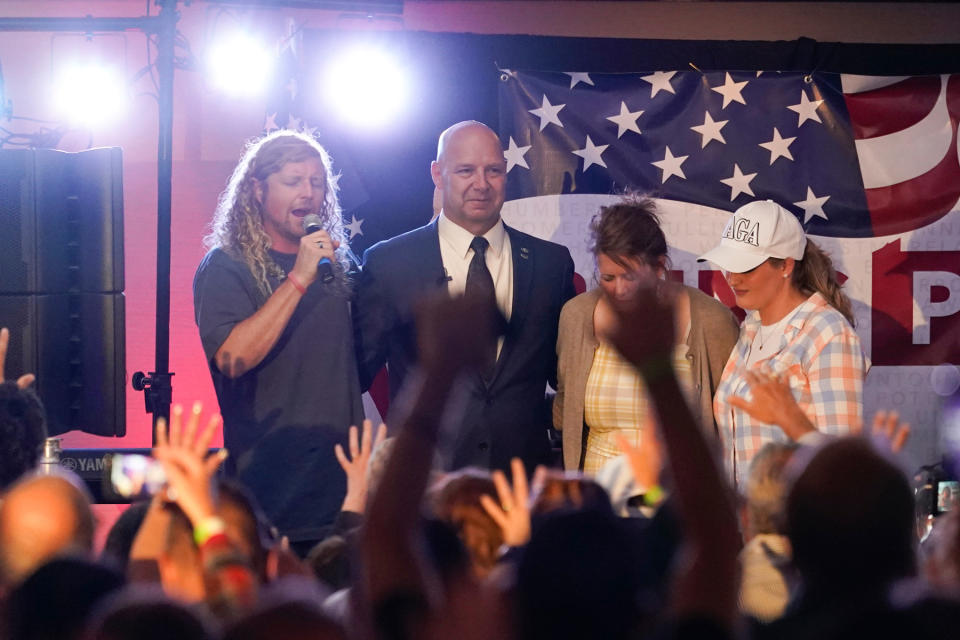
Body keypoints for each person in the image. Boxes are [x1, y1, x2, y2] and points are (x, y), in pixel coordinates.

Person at [353, 120, 575, 472]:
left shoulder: (552, 265)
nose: (481, 184)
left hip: (521, 488)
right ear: (437, 174)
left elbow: (565, 378)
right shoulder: (388, 264)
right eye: (466, 171)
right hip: (422, 486)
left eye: (493, 171)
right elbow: (355, 376)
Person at [193, 130, 364, 550]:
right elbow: (232, 358)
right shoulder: (226, 266)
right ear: (256, 189)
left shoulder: (337, 264)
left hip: (340, 485)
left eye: (317, 182)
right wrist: (299, 278)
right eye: (293, 181)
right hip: (269, 488)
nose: (308, 193)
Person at [554, 196, 739, 473]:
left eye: (630, 276)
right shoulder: (577, 316)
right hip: (601, 503)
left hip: (679, 504)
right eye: (608, 278)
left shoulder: (711, 320)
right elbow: (564, 409)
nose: (619, 289)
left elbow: (730, 423)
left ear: (659, 265)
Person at [698, 199, 867, 486]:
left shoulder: (828, 334)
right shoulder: (750, 329)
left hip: (800, 523)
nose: (733, 278)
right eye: (729, 265)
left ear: (786, 265)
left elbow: (843, 460)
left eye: (746, 267)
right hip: (747, 523)